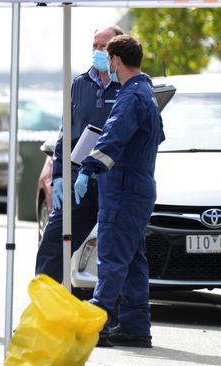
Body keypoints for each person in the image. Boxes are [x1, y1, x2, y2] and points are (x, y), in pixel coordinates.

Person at [75, 34, 164, 348]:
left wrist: (87, 168)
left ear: (115, 60)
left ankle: (97, 324)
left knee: (112, 257)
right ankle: (135, 326)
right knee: (134, 260)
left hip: (124, 188)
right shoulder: (148, 93)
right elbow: (156, 137)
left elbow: (113, 138)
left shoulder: (129, 97)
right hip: (139, 186)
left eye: (108, 58)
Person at [35, 26, 123, 280]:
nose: (97, 51)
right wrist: (60, 175)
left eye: (103, 46)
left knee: (111, 252)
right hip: (78, 182)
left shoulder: (129, 85)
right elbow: (67, 132)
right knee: (52, 245)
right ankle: (44, 307)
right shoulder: (80, 84)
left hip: (112, 180)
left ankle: (111, 316)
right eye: (94, 45)